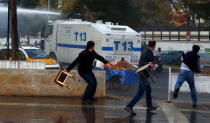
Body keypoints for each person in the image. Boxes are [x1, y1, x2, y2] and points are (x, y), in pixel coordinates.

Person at [125, 40, 158, 116]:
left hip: (144, 74)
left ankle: (149, 106)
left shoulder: (146, 51)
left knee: (149, 90)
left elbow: (145, 62)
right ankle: (129, 106)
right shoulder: (147, 52)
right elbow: (144, 63)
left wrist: (150, 64)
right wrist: (150, 64)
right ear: (154, 46)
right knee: (140, 93)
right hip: (143, 75)